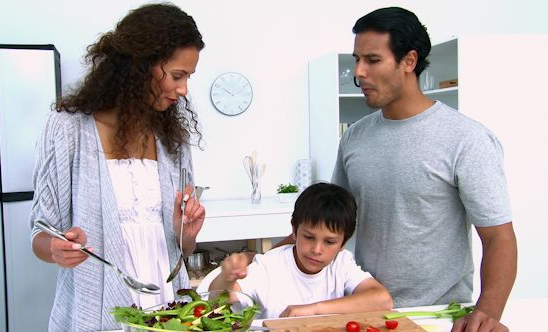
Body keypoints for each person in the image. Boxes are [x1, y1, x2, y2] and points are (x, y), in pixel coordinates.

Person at [334, 7, 517, 332]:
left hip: (440, 318)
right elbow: (333, 221)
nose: (359, 72)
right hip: (364, 311)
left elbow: (499, 237)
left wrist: (487, 313)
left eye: (372, 60)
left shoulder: (467, 139)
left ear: (409, 61)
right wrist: (262, 262)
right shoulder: (354, 138)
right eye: (356, 59)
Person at [29, 3, 206, 331]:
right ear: (139, 66)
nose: (183, 90)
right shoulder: (67, 129)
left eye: (188, 78)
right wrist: (57, 249)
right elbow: (41, 231)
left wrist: (188, 235)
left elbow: (183, 247)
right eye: (177, 76)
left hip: (166, 300)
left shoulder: (172, 139)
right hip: (95, 306)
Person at [209, 182, 393, 319]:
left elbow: (383, 300)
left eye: (329, 242)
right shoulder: (270, 266)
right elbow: (218, 300)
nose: (316, 249)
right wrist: (226, 277)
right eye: (309, 237)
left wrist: (313, 309)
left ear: (343, 243)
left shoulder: (342, 263)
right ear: (294, 230)